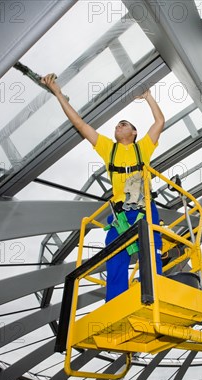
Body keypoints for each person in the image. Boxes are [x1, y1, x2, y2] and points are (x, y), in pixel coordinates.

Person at [41, 74, 165, 302]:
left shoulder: (143, 148)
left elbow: (159, 122)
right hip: (120, 214)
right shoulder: (109, 149)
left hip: (144, 209)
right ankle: (116, 301)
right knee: (115, 254)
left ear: (134, 133)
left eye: (124, 124)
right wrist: (58, 93)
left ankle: (152, 291)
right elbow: (79, 124)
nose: (118, 126)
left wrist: (148, 97)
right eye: (117, 125)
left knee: (151, 247)